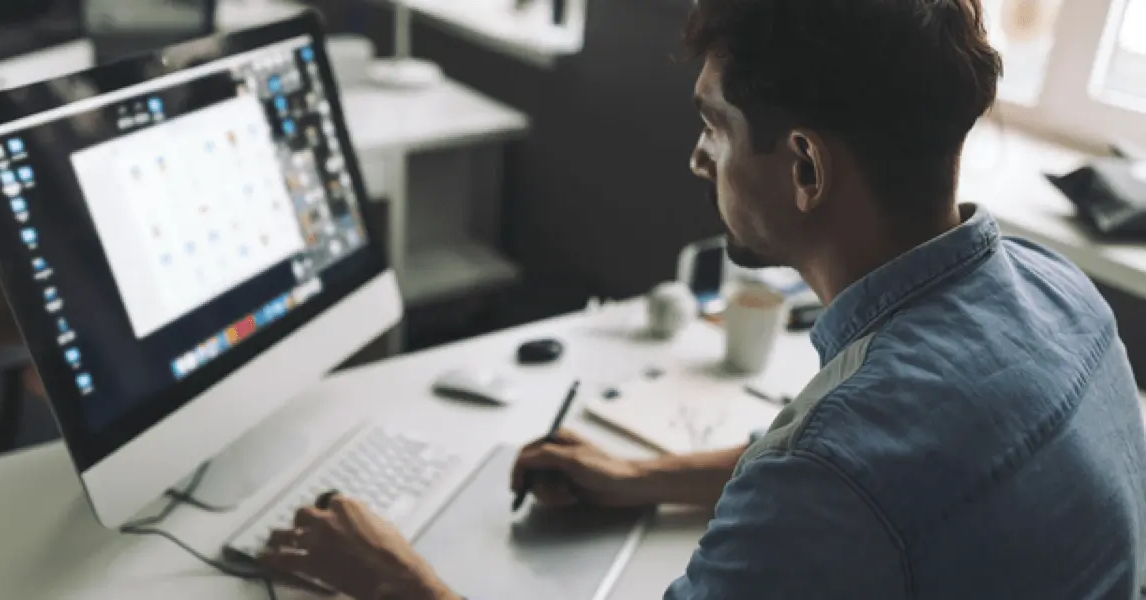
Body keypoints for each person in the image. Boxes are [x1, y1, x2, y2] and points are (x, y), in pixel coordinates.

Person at [259, 0, 1146, 597]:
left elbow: (842, 476)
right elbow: (887, 477)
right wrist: (639, 479)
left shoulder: (832, 469)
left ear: (804, 166)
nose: (698, 158)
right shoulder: (1061, 293)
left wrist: (394, 580)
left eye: (714, 127)